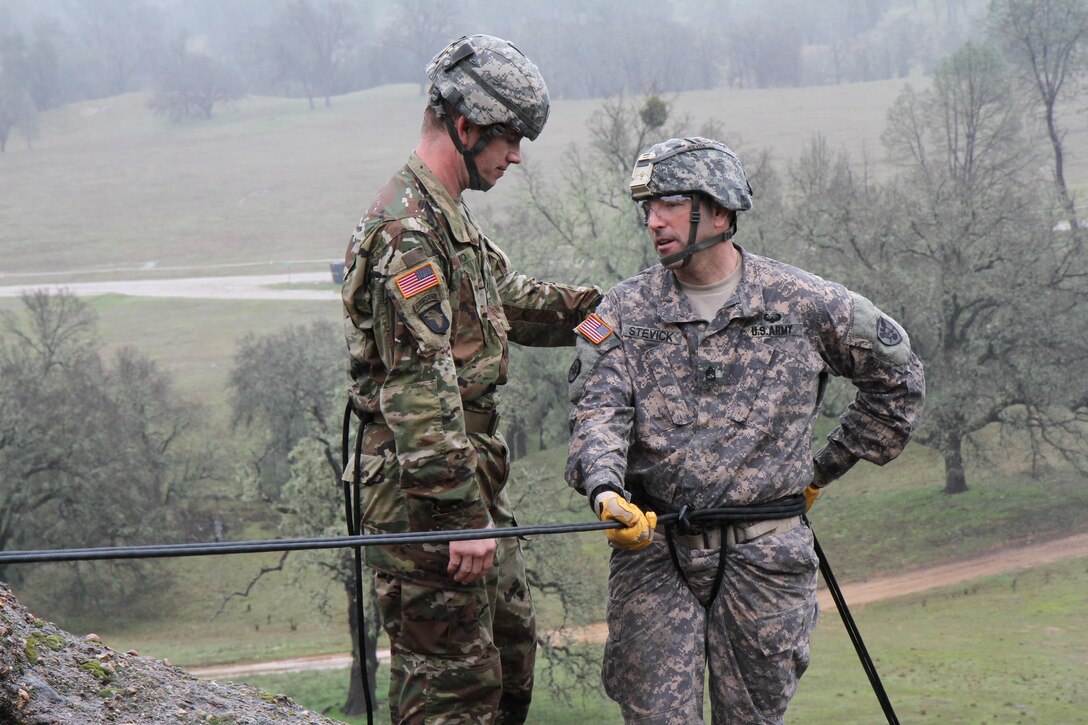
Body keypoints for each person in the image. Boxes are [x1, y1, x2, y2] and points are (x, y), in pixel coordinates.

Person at [565, 137, 925, 724]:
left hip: (766, 561)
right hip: (656, 553)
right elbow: (597, 409)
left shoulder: (804, 303)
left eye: (671, 203)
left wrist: (822, 469)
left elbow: (898, 378)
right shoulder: (623, 310)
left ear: (721, 210)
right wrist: (605, 489)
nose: (653, 220)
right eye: (647, 207)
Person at [341, 34, 601, 724]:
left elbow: (510, 300)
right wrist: (460, 519)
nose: (516, 156)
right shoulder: (406, 231)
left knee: (511, 658)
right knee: (452, 692)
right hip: (425, 496)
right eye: (510, 138)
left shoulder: (447, 221)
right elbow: (418, 390)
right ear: (466, 127)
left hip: (472, 484)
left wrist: (610, 316)